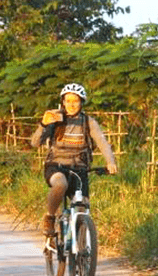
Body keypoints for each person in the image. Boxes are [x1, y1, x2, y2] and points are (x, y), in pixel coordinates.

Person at [30, 83, 118, 238]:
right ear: (63, 102)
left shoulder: (88, 122)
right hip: (56, 166)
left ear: (82, 102)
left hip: (79, 168)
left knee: (83, 207)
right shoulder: (55, 119)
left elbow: (102, 143)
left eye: (75, 101)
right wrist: (43, 124)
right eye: (68, 100)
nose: (71, 105)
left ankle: (81, 248)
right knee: (61, 184)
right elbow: (35, 143)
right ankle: (50, 217)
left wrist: (111, 162)